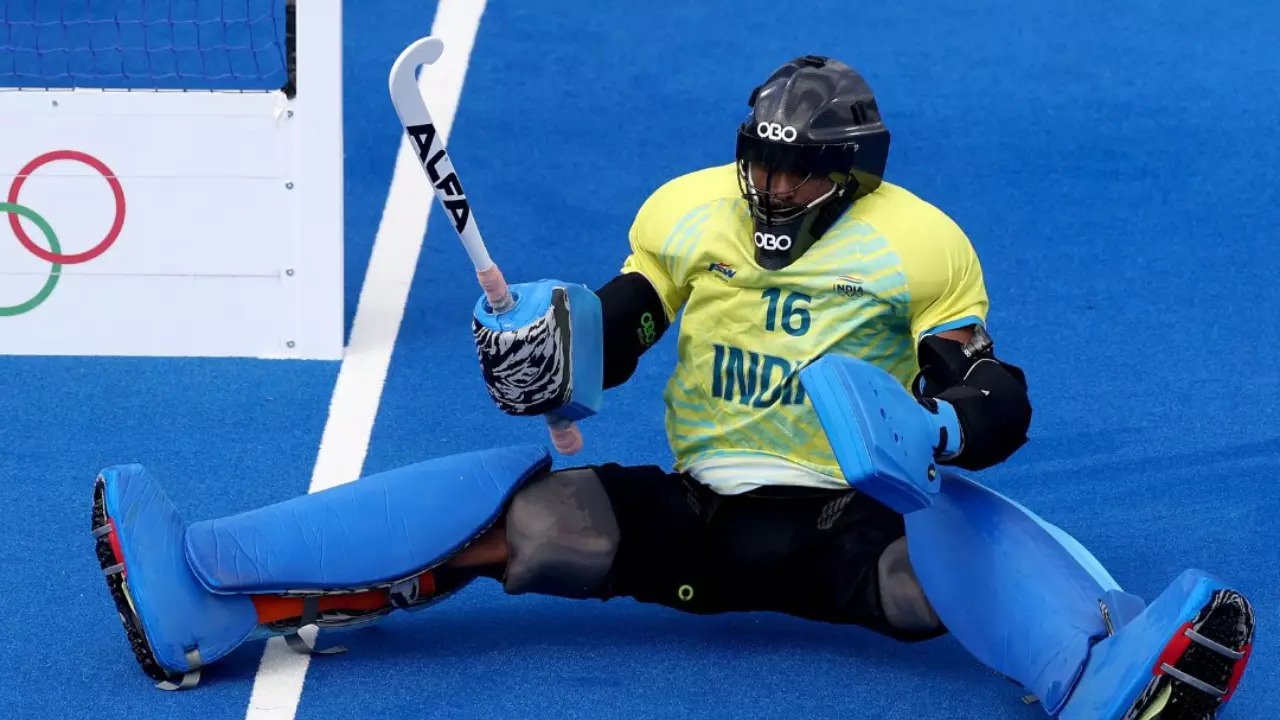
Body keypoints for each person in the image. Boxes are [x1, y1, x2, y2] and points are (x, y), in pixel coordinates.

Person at [91, 56, 1254, 718]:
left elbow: (993, 394)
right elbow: (621, 326)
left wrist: (941, 422)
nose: (774, 184)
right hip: (697, 512)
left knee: (939, 554)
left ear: (852, 172)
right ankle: (213, 591)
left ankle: (1094, 678)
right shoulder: (687, 209)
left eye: (801, 171)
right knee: (536, 524)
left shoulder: (922, 244)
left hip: (853, 523)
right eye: (761, 160)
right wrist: (549, 350)